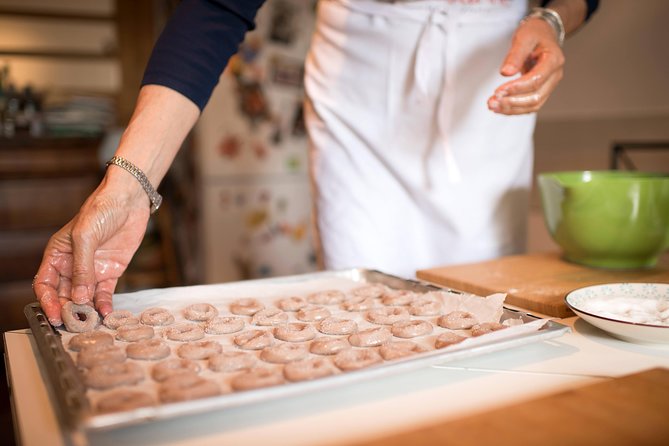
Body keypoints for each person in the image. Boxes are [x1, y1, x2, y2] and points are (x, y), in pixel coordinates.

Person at [33, 0, 599, 326]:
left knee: (483, 310)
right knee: (363, 309)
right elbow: (216, 6)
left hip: (492, 59)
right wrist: (129, 184)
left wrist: (552, 19)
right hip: (361, 65)